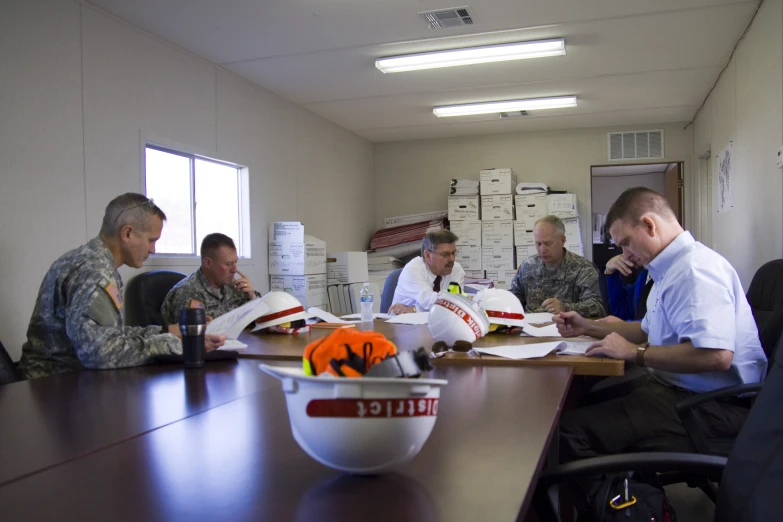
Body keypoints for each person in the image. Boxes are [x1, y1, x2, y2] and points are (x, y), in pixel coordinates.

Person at [554, 187, 767, 461]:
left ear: (649, 225)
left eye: (626, 242)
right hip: (682, 388)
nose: (625, 254)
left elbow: (716, 355)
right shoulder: (667, 269)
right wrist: (587, 326)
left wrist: (635, 353)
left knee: (569, 433)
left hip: (712, 404)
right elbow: (646, 330)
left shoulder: (694, 270)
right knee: (586, 401)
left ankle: (641, 503)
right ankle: (631, 488)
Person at [18, 193, 226, 380]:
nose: (153, 249)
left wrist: (168, 331)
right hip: (52, 388)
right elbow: (101, 353)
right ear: (127, 233)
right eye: (151, 240)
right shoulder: (94, 273)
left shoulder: (93, 260)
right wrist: (179, 346)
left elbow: (109, 334)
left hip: (66, 381)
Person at [509, 215, 604, 317]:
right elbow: (514, 296)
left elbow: (598, 306)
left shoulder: (583, 268)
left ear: (562, 240)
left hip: (568, 328)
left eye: (548, 243)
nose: (542, 249)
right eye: (538, 244)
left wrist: (566, 308)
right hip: (531, 328)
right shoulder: (527, 266)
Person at [161, 233, 260, 325]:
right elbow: (192, 336)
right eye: (228, 264)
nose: (234, 269)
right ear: (208, 263)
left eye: (235, 262)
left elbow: (263, 319)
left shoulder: (232, 286)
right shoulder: (188, 292)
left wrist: (252, 297)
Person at [389, 230, 465, 314]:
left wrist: (414, 309)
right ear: (428, 256)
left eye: (453, 253)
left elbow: (457, 305)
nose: (452, 259)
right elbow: (431, 302)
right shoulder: (414, 269)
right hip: (403, 323)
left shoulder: (456, 269)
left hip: (437, 322)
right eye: (445, 255)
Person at [602, 252, 653, 322]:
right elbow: (623, 313)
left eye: (627, 243)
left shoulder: (669, 276)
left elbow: (656, 326)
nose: (626, 256)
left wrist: (624, 326)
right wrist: (611, 272)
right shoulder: (644, 276)